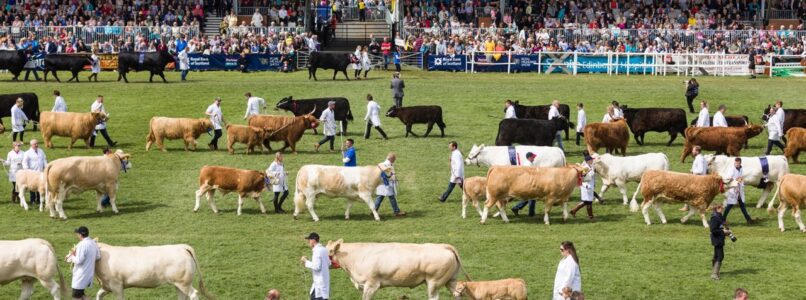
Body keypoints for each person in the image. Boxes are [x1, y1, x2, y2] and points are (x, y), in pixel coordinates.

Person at [66, 226, 100, 300]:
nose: (77, 235)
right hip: (88, 275)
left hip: (80, 276)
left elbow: (78, 261)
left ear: (80, 235)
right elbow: (98, 256)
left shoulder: (82, 245)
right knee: (82, 295)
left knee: (76, 297)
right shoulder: (93, 242)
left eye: (77, 234)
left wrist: (71, 257)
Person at [374, 152, 406, 217]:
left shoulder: (383, 164)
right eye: (394, 159)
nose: (394, 160)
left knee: (380, 197)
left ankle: (374, 211)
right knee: (391, 197)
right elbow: (389, 175)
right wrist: (394, 177)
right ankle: (396, 211)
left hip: (382, 184)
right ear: (392, 159)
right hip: (386, 184)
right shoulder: (388, 165)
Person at [724, 158, 754, 224]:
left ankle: (748, 219)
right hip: (733, 189)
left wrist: (740, 182)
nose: (736, 164)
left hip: (739, 189)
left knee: (742, 205)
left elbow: (740, 177)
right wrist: (736, 185)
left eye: (738, 163)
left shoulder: (741, 169)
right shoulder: (732, 169)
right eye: (735, 163)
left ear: (740, 163)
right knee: (730, 205)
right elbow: (730, 178)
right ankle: (722, 219)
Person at [301, 232, 330, 300]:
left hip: (319, 285)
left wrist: (305, 261)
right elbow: (329, 263)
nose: (308, 241)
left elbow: (317, 267)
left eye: (309, 240)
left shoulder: (317, 251)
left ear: (314, 240)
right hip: (325, 283)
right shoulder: (324, 249)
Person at [570, 152, 596, 220]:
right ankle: (591, 216)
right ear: (588, 161)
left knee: (586, 201)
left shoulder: (590, 167)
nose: (592, 160)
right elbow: (583, 177)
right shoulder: (586, 168)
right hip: (586, 186)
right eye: (591, 160)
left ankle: (573, 211)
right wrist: (587, 185)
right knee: (588, 202)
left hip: (590, 186)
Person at [511, 152, 537, 216]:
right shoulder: (528, 164)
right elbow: (530, 174)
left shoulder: (530, 163)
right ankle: (531, 214)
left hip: (528, 182)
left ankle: (516, 208)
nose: (534, 158)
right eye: (533, 157)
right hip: (529, 182)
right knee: (532, 198)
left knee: (528, 198)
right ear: (529, 157)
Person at [681, 145, 707, 211]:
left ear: (697, 151)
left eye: (693, 150)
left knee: (688, 192)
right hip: (699, 179)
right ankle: (687, 206)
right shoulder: (702, 158)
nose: (692, 151)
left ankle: (687, 207)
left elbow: (700, 170)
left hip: (697, 179)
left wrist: (692, 171)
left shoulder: (700, 159)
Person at [22, 139, 46, 206]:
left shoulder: (41, 151)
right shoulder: (27, 152)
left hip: (40, 172)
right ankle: (32, 200)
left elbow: (44, 160)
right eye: (35, 144)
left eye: (37, 143)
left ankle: (39, 200)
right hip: (32, 173)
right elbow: (24, 162)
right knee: (32, 187)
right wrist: (27, 170)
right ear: (31, 145)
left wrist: (46, 167)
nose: (36, 145)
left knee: (40, 186)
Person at [709, 204, 728, 280]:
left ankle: (715, 271)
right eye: (721, 208)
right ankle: (714, 274)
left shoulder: (719, 216)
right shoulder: (715, 217)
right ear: (717, 209)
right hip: (717, 239)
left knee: (717, 255)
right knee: (720, 256)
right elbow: (713, 230)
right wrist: (723, 231)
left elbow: (722, 224)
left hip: (719, 238)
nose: (722, 209)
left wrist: (727, 230)